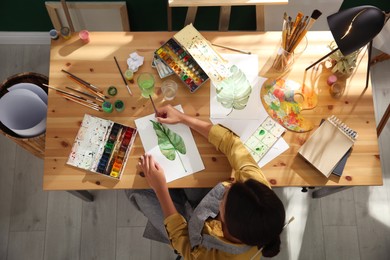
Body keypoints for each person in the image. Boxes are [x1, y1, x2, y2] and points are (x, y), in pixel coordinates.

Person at [126, 104, 286, 259]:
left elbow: (181, 240)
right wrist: (182, 118)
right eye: (233, 185)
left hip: (190, 234)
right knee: (188, 177)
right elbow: (231, 144)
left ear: (224, 221)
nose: (228, 184)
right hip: (204, 209)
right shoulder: (257, 192)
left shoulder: (209, 256)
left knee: (135, 188)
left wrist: (160, 188)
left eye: (224, 196)